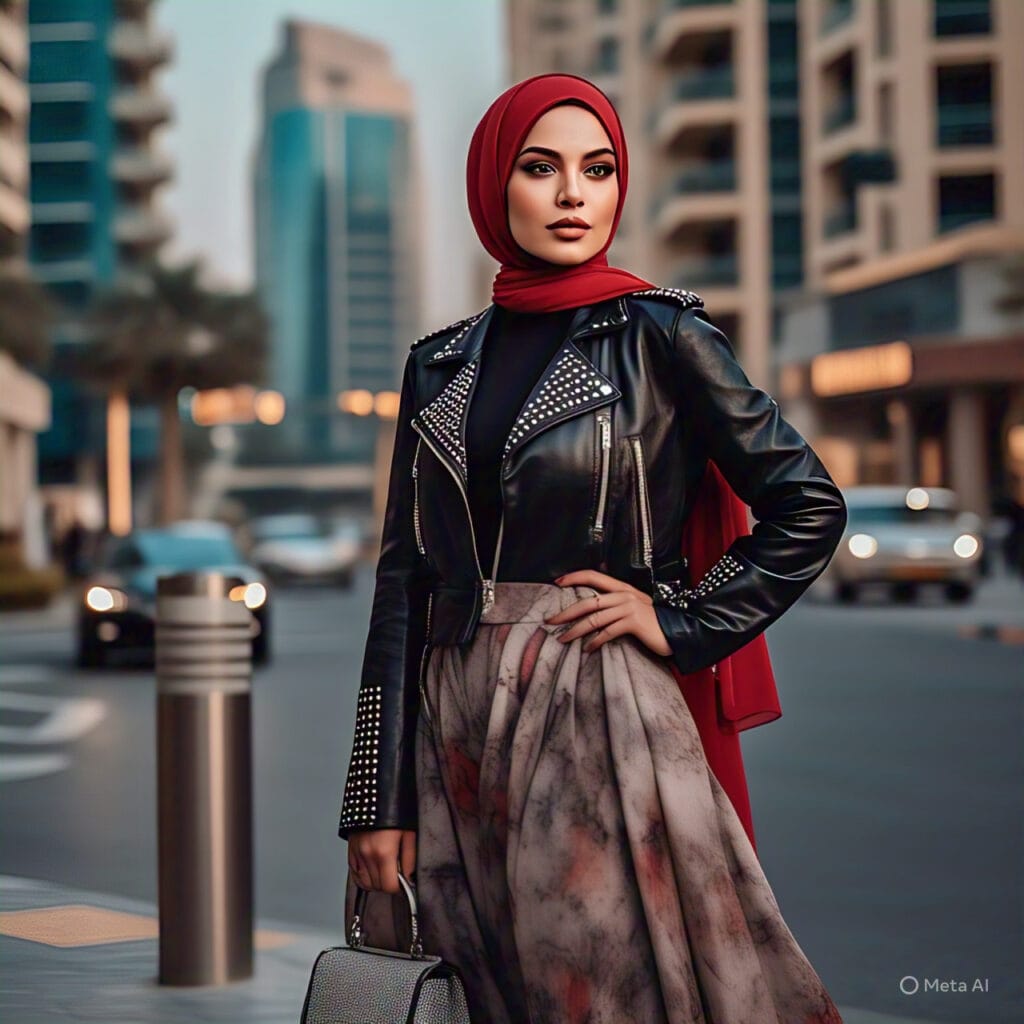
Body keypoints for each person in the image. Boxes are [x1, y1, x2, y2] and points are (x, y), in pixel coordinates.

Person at [338, 73, 847, 1024]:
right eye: (541, 168)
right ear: (497, 187)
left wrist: (682, 619)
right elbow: (402, 582)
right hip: (454, 719)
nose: (574, 194)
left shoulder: (661, 332)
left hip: (593, 698)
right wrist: (374, 796)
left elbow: (806, 503)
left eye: (598, 168)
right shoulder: (438, 361)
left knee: (594, 990)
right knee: (475, 990)